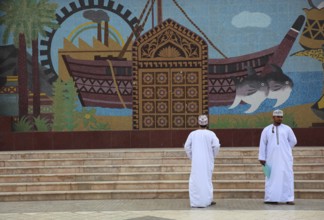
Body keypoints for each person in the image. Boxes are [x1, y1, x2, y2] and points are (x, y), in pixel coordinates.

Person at [258, 109, 297, 205]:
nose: (280, 118)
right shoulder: (266, 129)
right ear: (273, 117)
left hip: (285, 158)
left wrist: (286, 149)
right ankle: (271, 198)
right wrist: (262, 157)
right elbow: (262, 144)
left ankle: (289, 198)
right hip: (271, 159)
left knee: (287, 176)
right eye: (278, 117)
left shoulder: (287, 129)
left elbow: (293, 141)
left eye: (281, 117)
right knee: (271, 177)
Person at [184, 114, 221, 208]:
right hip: (207, 161)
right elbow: (216, 146)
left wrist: (192, 157)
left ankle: (195, 202)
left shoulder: (193, 134)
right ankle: (207, 200)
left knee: (195, 180)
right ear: (207, 123)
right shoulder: (211, 134)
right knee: (207, 180)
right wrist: (212, 155)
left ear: (198, 123)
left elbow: (186, 147)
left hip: (196, 162)